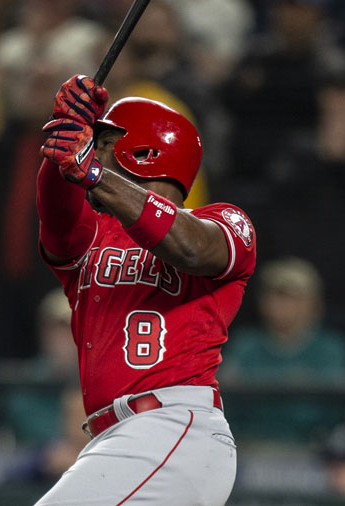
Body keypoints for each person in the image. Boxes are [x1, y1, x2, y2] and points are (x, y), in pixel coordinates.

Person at [35, 74, 256, 504]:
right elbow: (57, 219)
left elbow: (192, 248)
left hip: (172, 426)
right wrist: (59, 143)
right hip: (114, 438)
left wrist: (95, 174)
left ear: (142, 153)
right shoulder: (94, 234)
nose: (91, 150)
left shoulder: (226, 219)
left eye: (102, 143)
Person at [223, 256, 345, 383]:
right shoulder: (244, 345)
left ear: (314, 303)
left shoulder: (331, 348)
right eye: (272, 294)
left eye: (291, 296)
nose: (279, 303)